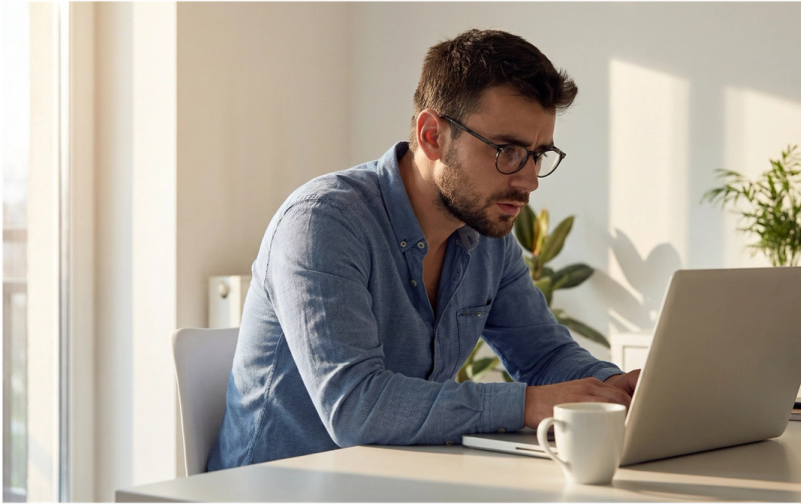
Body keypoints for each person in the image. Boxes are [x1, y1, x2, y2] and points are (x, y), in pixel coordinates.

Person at [207, 28, 640, 471]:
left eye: (538, 155)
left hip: (395, 483)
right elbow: (356, 407)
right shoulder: (323, 222)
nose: (528, 181)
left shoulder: (485, 234)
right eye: (507, 150)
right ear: (432, 135)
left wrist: (620, 387)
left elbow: (545, 356)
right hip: (268, 490)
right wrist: (527, 405)